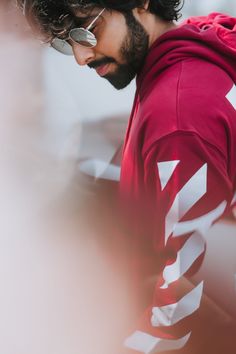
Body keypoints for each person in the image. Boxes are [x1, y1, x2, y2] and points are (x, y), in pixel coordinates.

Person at [18, 1, 236, 353]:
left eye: (86, 30)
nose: (80, 57)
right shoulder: (204, 39)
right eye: (66, 41)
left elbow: (187, 283)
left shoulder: (177, 112)